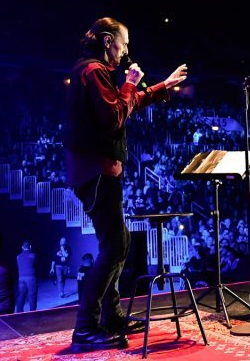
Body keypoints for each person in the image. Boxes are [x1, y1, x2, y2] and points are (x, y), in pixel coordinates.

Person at [63, 17, 188, 351]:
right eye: (124, 44)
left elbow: (123, 104)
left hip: (98, 170)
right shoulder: (93, 71)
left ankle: (112, 316)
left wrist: (162, 85)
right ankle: (86, 327)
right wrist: (132, 82)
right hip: (97, 171)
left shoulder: (94, 72)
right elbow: (115, 115)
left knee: (114, 246)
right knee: (116, 247)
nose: (126, 51)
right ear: (108, 41)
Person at [15, 241, 38, 312]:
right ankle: (32, 312)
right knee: (32, 295)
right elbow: (36, 265)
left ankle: (19, 311)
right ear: (30, 247)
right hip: (31, 278)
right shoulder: (33, 255)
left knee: (21, 295)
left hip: (21, 278)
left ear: (22, 247)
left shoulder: (18, 257)